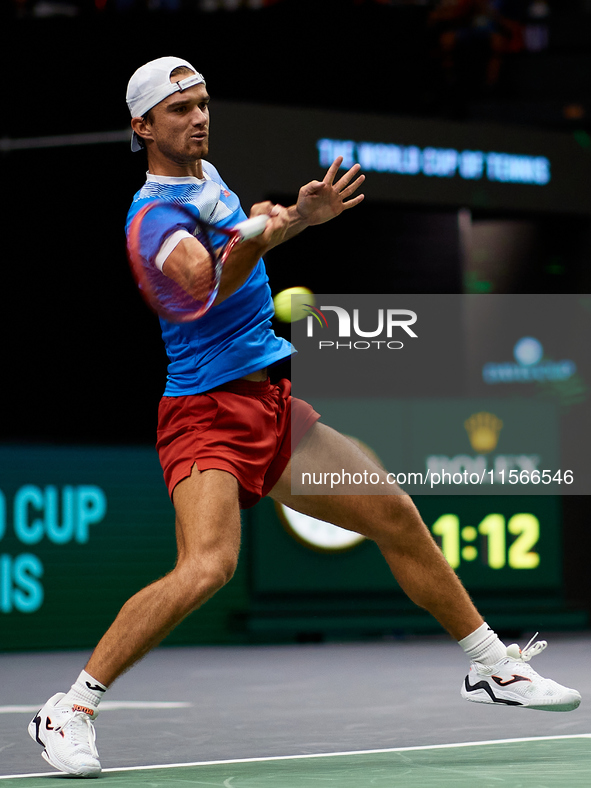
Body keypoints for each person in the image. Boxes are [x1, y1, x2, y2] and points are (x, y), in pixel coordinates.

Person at [28, 56, 581, 778]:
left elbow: (249, 244)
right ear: (143, 126)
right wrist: (261, 233)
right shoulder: (154, 215)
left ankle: (492, 667)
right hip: (204, 411)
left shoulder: (207, 175)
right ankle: (69, 708)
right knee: (207, 567)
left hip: (268, 402)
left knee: (393, 513)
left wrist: (295, 220)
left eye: (201, 104)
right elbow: (202, 281)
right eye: (178, 110)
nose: (197, 118)